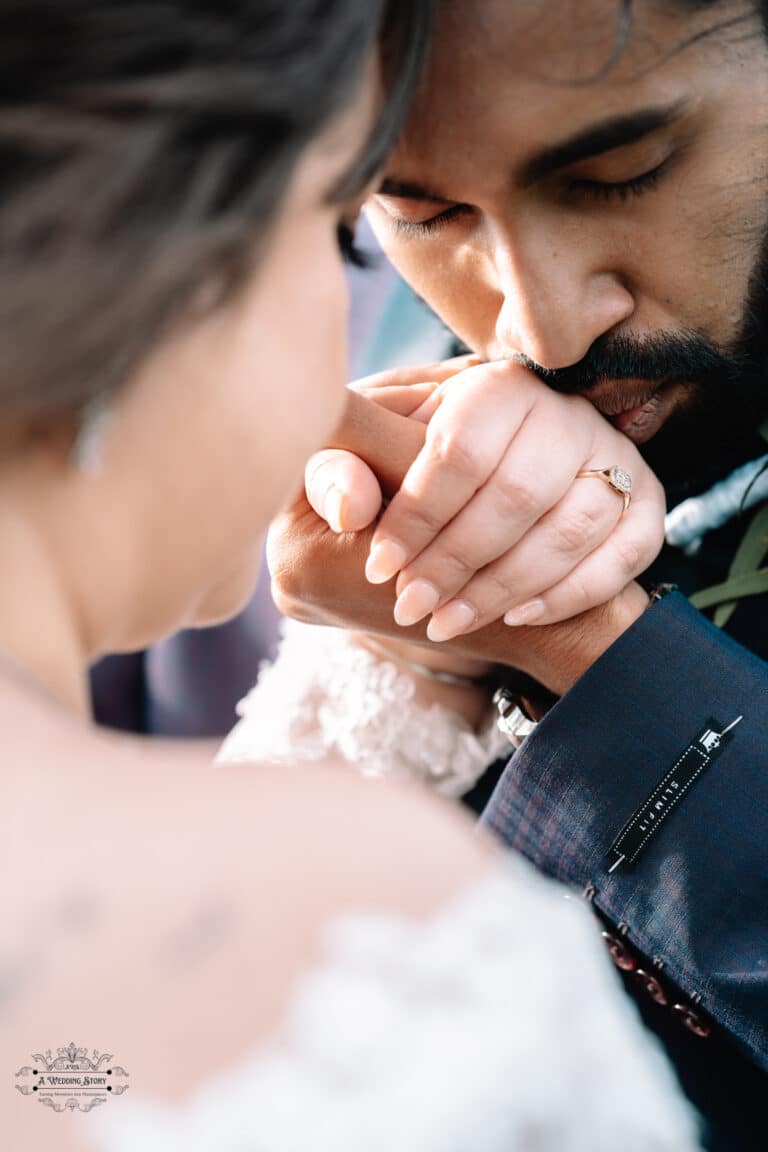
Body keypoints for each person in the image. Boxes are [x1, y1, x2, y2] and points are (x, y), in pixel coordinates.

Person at [0, 3, 701, 1151]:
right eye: (345, 230)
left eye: (621, 174)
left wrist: (417, 671)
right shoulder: (389, 934)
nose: (529, 330)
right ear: (144, 273)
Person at [257, 1, 768, 1148]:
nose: (538, 325)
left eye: (619, 173)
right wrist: (406, 665)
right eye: (425, 210)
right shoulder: (458, 420)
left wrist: (574, 650)